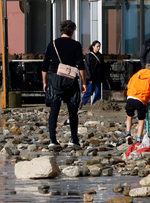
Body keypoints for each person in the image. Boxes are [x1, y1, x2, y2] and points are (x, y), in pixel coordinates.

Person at [42, 20, 86, 150]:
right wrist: (84, 82)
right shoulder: (76, 45)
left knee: (54, 111)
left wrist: (45, 82)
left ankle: (52, 140)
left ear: (61, 30)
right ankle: (74, 140)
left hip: (55, 79)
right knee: (73, 110)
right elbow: (80, 65)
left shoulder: (53, 44)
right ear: (72, 31)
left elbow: (45, 66)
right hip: (71, 79)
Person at [125, 64, 150, 145]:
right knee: (141, 120)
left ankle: (128, 134)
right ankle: (138, 139)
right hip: (141, 100)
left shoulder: (137, 74)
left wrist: (130, 94)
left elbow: (129, 85)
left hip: (130, 97)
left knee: (129, 116)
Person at [82, 40, 104, 107]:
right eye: (97, 46)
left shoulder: (100, 56)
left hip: (98, 76)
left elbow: (102, 67)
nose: (98, 48)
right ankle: (82, 101)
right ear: (93, 47)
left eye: (99, 46)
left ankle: (95, 105)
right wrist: (89, 78)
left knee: (98, 92)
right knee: (90, 91)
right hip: (91, 76)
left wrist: (103, 77)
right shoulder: (88, 56)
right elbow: (87, 67)